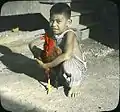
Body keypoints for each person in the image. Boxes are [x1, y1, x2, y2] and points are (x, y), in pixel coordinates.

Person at [28, 3, 87, 97]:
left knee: (65, 63)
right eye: (51, 21)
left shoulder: (69, 34)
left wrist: (47, 65)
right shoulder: (52, 32)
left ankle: (75, 83)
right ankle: (58, 74)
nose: (54, 24)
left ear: (68, 22)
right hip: (62, 59)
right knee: (46, 51)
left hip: (74, 65)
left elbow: (67, 55)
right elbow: (32, 44)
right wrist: (39, 56)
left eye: (58, 21)